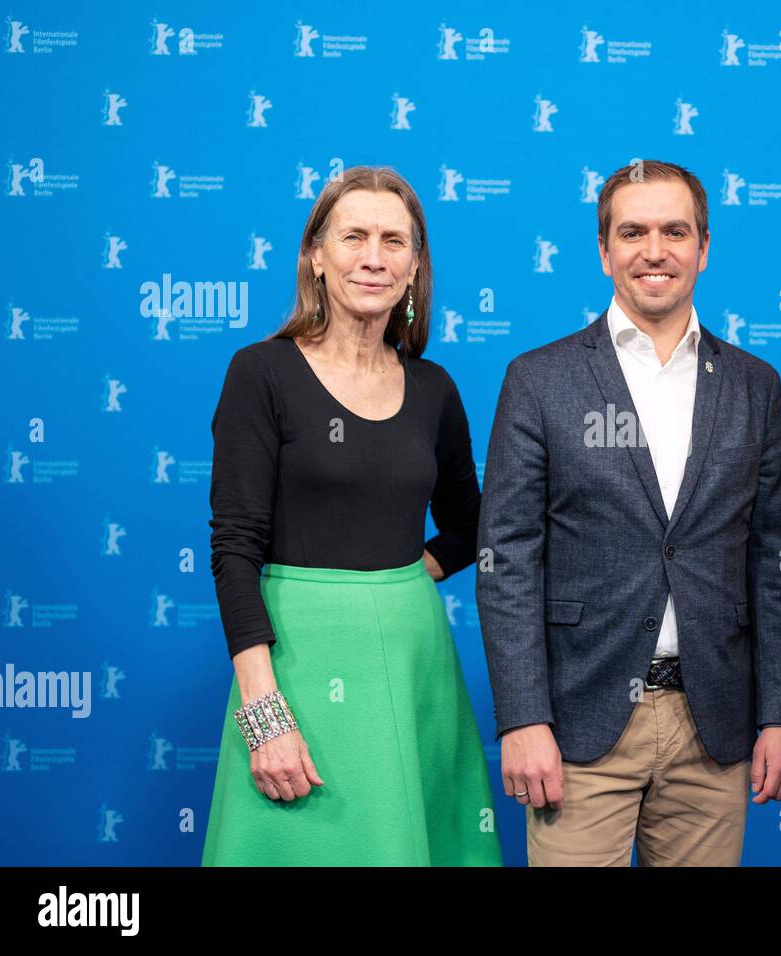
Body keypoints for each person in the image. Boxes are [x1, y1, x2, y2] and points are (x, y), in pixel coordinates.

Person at [476, 159, 781, 866]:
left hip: (713, 725)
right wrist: (524, 718)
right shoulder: (539, 380)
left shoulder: (754, 386)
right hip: (578, 724)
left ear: (703, 248)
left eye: (674, 231)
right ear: (604, 251)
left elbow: (776, 565)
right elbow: (506, 563)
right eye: (633, 232)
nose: (654, 251)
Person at [201, 165, 501, 866]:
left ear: (415, 264)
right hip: (294, 668)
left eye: (394, 240)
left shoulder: (434, 388)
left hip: (414, 664)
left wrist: (395, 580)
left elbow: (475, 523)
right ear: (316, 255)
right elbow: (234, 549)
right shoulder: (261, 373)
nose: (374, 256)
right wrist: (264, 717)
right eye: (354, 236)